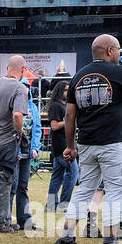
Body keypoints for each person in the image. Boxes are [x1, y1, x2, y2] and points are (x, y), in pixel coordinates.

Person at [52, 34, 122, 244]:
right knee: (115, 191)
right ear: (109, 51)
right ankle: (110, 242)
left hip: (87, 143)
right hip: (112, 143)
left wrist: (70, 146)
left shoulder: (79, 75)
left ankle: (66, 238)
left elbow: (70, 116)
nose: (119, 53)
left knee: (85, 190)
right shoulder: (120, 72)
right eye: (118, 49)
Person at [0, 56, 30, 233]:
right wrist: (19, 133)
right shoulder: (19, 88)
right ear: (23, 69)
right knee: (3, 182)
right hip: (7, 140)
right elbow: (18, 115)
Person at [13, 70, 42, 232]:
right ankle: (4, 219)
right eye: (21, 86)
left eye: (26, 86)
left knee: (22, 186)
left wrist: (35, 147)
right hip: (12, 151)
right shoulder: (13, 105)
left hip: (27, 152)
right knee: (11, 185)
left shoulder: (33, 107)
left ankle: (24, 220)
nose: (24, 89)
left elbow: (37, 129)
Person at [45, 80, 76, 213]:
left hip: (63, 144)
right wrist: (69, 121)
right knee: (74, 172)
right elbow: (54, 126)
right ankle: (63, 204)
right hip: (61, 145)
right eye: (65, 90)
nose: (68, 92)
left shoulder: (66, 105)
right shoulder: (56, 106)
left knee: (57, 176)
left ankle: (51, 205)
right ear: (59, 91)